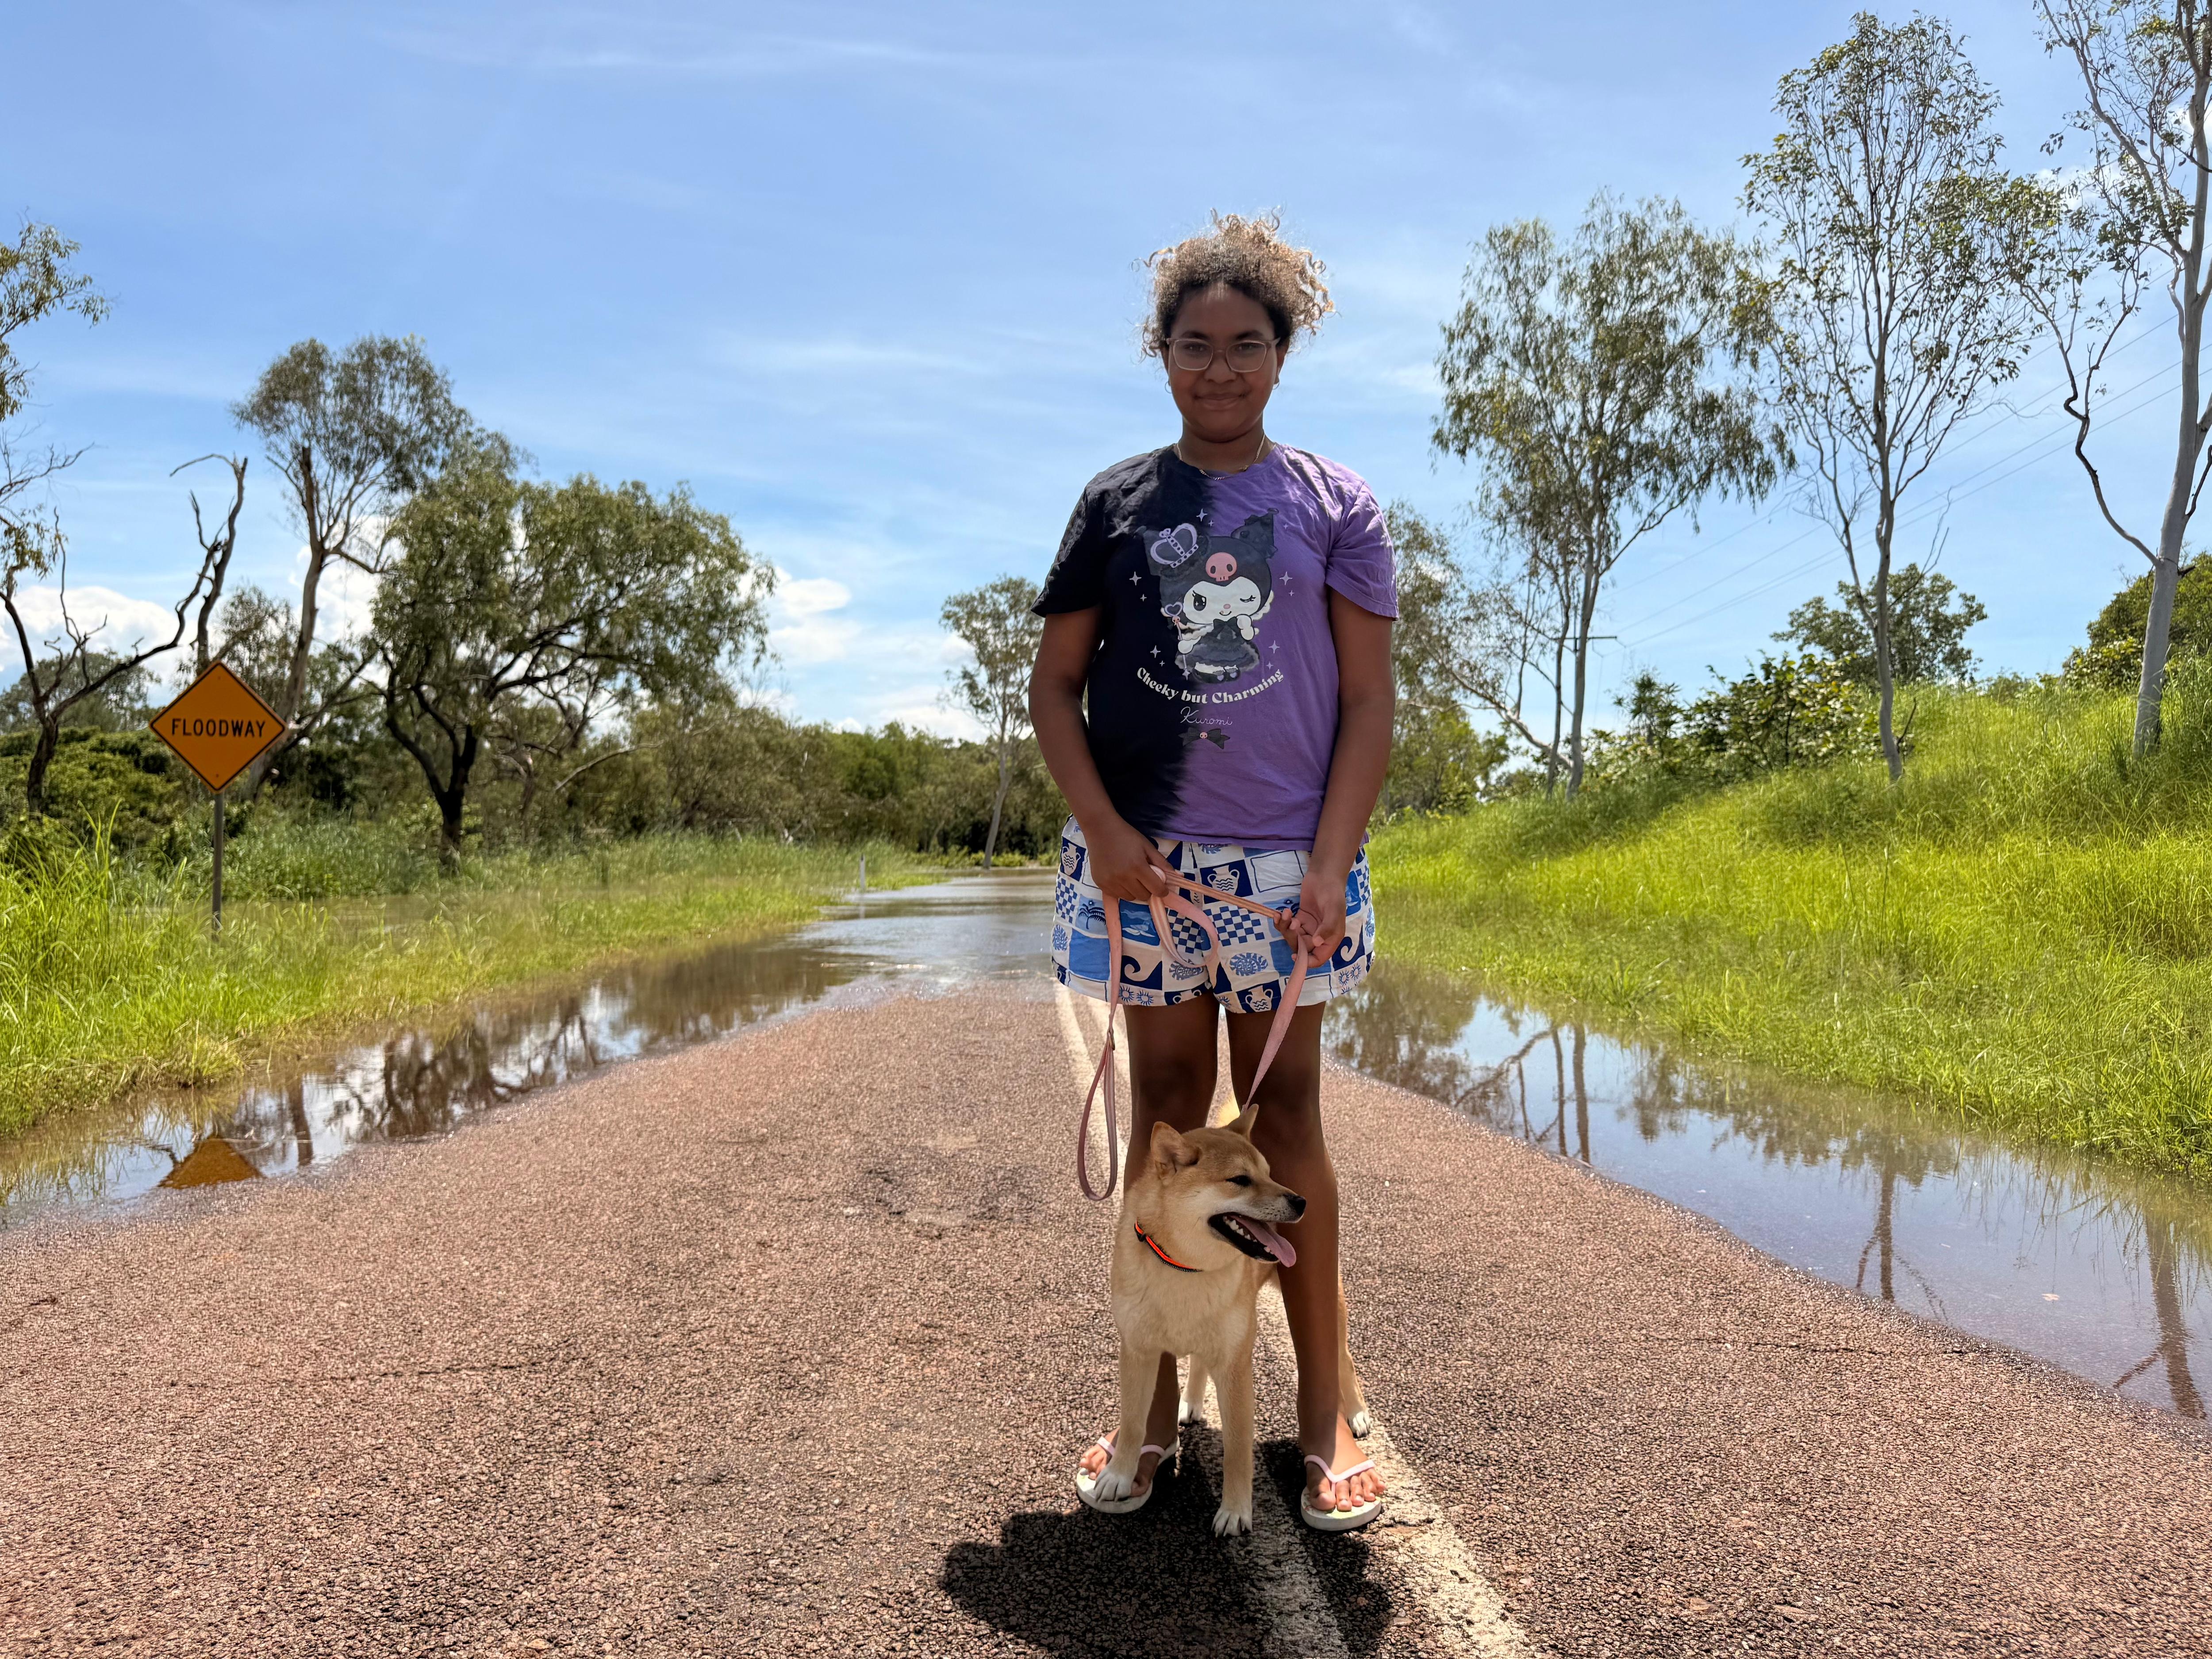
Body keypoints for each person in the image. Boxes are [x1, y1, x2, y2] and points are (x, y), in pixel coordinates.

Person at [1029, 212, 1396, 1528]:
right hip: (1145, 869)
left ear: (1284, 356)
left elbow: (1368, 705)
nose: (1221, 368)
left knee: (1286, 1128)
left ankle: (1323, 1417)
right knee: (1171, 1121)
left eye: (1248, 345)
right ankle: (1156, 1415)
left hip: (1286, 869)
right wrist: (1111, 839)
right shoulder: (1116, 503)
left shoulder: (1334, 505)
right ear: (1163, 354)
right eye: (1196, 345)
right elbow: (1055, 688)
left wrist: (1329, 867)